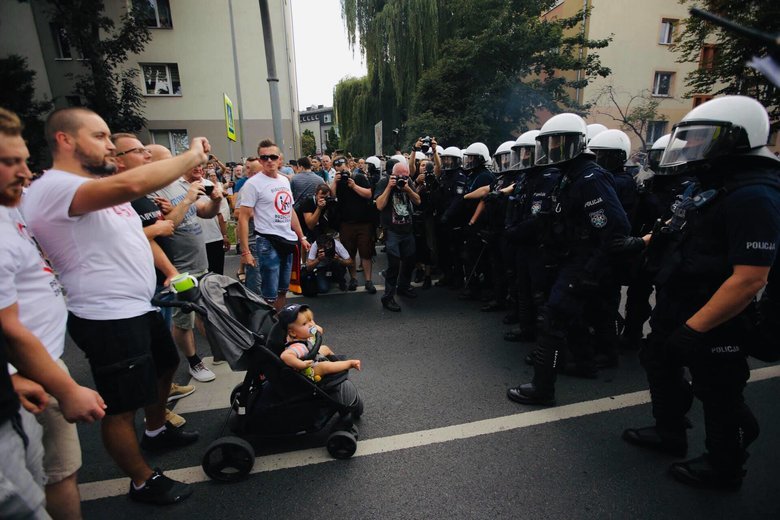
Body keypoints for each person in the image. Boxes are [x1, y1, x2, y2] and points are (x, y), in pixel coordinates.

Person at [21, 107, 204, 505]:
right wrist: (189, 156)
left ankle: (155, 430)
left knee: (165, 365)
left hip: (138, 306)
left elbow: (138, 236)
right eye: (100, 136)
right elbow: (131, 184)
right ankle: (141, 480)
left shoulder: (93, 184)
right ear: (65, 140)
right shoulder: (55, 186)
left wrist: (169, 273)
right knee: (121, 407)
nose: (110, 146)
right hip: (106, 316)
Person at [622, 96, 780, 490]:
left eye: (702, 138)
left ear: (737, 140)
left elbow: (749, 279)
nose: (692, 147)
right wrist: (642, 241)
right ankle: (669, 431)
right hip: (680, 301)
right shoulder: (715, 186)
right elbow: (680, 228)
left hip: (716, 314)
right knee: (657, 359)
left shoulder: (754, 195)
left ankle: (725, 465)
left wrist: (695, 329)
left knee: (718, 388)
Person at [1, 106, 107, 519]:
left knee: (45, 475)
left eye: (25, 160)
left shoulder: (12, 210)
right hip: (29, 369)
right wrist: (64, 389)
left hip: (32, 371)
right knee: (38, 490)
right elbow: (8, 328)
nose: (26, 172)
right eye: (10, 162)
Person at [506, 112, 630, 404]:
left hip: (582, 262)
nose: (552, 150)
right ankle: (584, 363)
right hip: (569, 258)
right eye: (550, 143)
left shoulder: (590, 178)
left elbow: (614, 229)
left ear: (575, 144)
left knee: (553, 319)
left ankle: (542, 388)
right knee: (570, 318)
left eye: (559, 143)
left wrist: (590, 271)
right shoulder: (569, 176)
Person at [111, 135, 194, 425]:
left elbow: (158, 234)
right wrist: (159, 227)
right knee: (145, 360)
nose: (147, 157)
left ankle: (161, 401)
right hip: (131, 292)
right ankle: (155, 416)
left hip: (157, 282)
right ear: (118, 158)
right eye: (140, 151)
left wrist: (170, 272)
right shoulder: (118, 196)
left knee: (164, 357)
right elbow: (117, 240)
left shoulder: (144, 195)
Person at [149, 159, 225, 382]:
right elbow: (164, 229)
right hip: (178, 268)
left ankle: (217, 351)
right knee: (182, 319)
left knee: (201, 310)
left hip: (198, 262)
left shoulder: (183, 186)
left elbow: (205, 212)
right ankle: (194, 362)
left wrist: (216, 201)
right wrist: (187, 199)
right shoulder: (154, 191)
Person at [238, 139, 310, 311]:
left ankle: (277, 325)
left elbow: (289, 210)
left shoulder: (284, 181)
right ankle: (266, 330)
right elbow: (243, 218)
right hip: (267, 241)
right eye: (264, 158)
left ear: (280, 159)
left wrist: (302, 236)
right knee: (269, 294)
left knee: (283, 290)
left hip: (288, 240)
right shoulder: (253, 184)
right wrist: (246, 252)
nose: (269, 160)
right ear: (260, 160)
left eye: (272, 156)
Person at [374, 161, 422, 311]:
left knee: (409, 261)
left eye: (405, 175)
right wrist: (389, 186)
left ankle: (404, 287)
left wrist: (407, 188)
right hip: (392, 231)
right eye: (399, 176)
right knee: (394, 265)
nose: (402, 178)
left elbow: (418, 201)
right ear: (393, 174)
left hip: (407, 230)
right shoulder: (384, 182)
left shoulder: (408, 182)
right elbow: (379, 205)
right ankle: (387, 298)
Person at [278, 304, 361, 379]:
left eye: (310, 320)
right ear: (293, 332)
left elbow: (320, 330)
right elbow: (285, 356)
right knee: (325, 366)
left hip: (312, 356)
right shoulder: (298, 347)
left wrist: (315, 329)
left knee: (325, 348)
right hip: (308, 370)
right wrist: (301, 365)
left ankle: (336, 362)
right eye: (304, 324)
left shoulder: (302, 335)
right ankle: (349, 364)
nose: (311, 324)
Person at [331, 154, 376, 293]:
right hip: (346, 223)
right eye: (338, 168)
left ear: (349, 165)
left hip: (363, 222)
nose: (341, 170)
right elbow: (331, 197)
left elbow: (369, 194)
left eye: (343, 167)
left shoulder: (359, 177)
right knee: (349, 253)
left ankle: (368, 280)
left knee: (366, 252)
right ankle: (353, 279)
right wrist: (334, 182)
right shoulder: (337, 182)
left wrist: (354, 186)